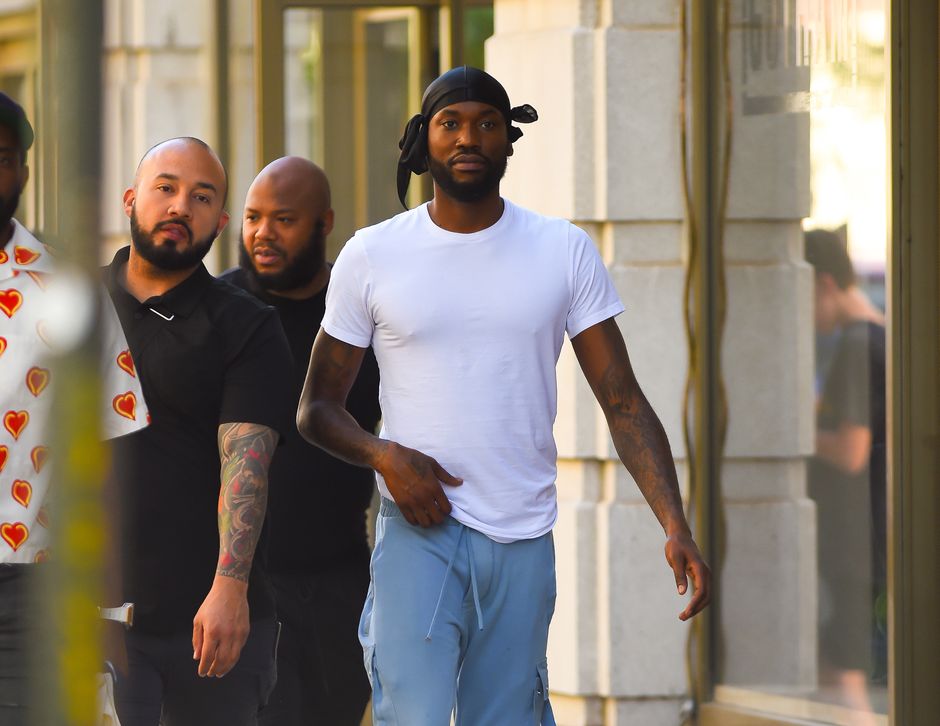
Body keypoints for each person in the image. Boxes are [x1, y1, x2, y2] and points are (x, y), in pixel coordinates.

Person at [296, 66, 711, 726]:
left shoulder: (563, 250)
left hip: (523, 533)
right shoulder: (373, 254)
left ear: (508, 139)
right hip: (419, 530)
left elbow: (623, 401)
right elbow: (317, 408)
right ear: (424, 139)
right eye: (450, 123)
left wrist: (674, 523)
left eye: (486, 123)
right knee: (413, 716)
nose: (469, 137)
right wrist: (384, 456)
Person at [103, 137, 293, 726]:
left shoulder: (246, 324)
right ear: (130, 199)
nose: (181, 206)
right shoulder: (67, 306)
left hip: (211, 625)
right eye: (166, 188)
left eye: (202, 196)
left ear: (221, 222)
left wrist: (230, 588)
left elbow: (246, 463)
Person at [0, 92, 148, 725]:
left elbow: (107, 461)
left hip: (34, 591)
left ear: (24, 172)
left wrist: (108, 610)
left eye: (2, 159)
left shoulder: (66, 289)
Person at [221, 156, 380, 725]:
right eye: (253, 217)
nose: (263, 233)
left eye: (283, 219)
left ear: (324, 222)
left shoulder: (358, 313)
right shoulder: (220, 310)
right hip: (242, 584)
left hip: (339, 579)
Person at [805, 229, 887, 706]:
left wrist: (798, 429)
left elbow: (852, 450)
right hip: (866, 537)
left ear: (825, 284)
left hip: (853, 541)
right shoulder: (881, 334)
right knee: (832, 672)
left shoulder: (857, 344)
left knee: (844, 678)